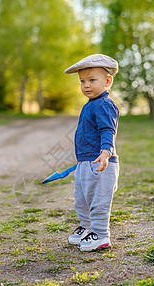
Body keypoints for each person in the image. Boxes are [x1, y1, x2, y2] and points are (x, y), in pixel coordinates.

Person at [64, 54, 120, 251]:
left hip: (101, 162)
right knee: (82, 200)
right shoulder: (90, 104)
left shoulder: (105, 104)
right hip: (86, 162)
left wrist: (105, 153)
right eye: (82, 81)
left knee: (98, 201)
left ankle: (101, 234)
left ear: (108, 81)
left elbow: (107, 131)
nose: (86, 85)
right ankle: (88, 228)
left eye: (92, 80)